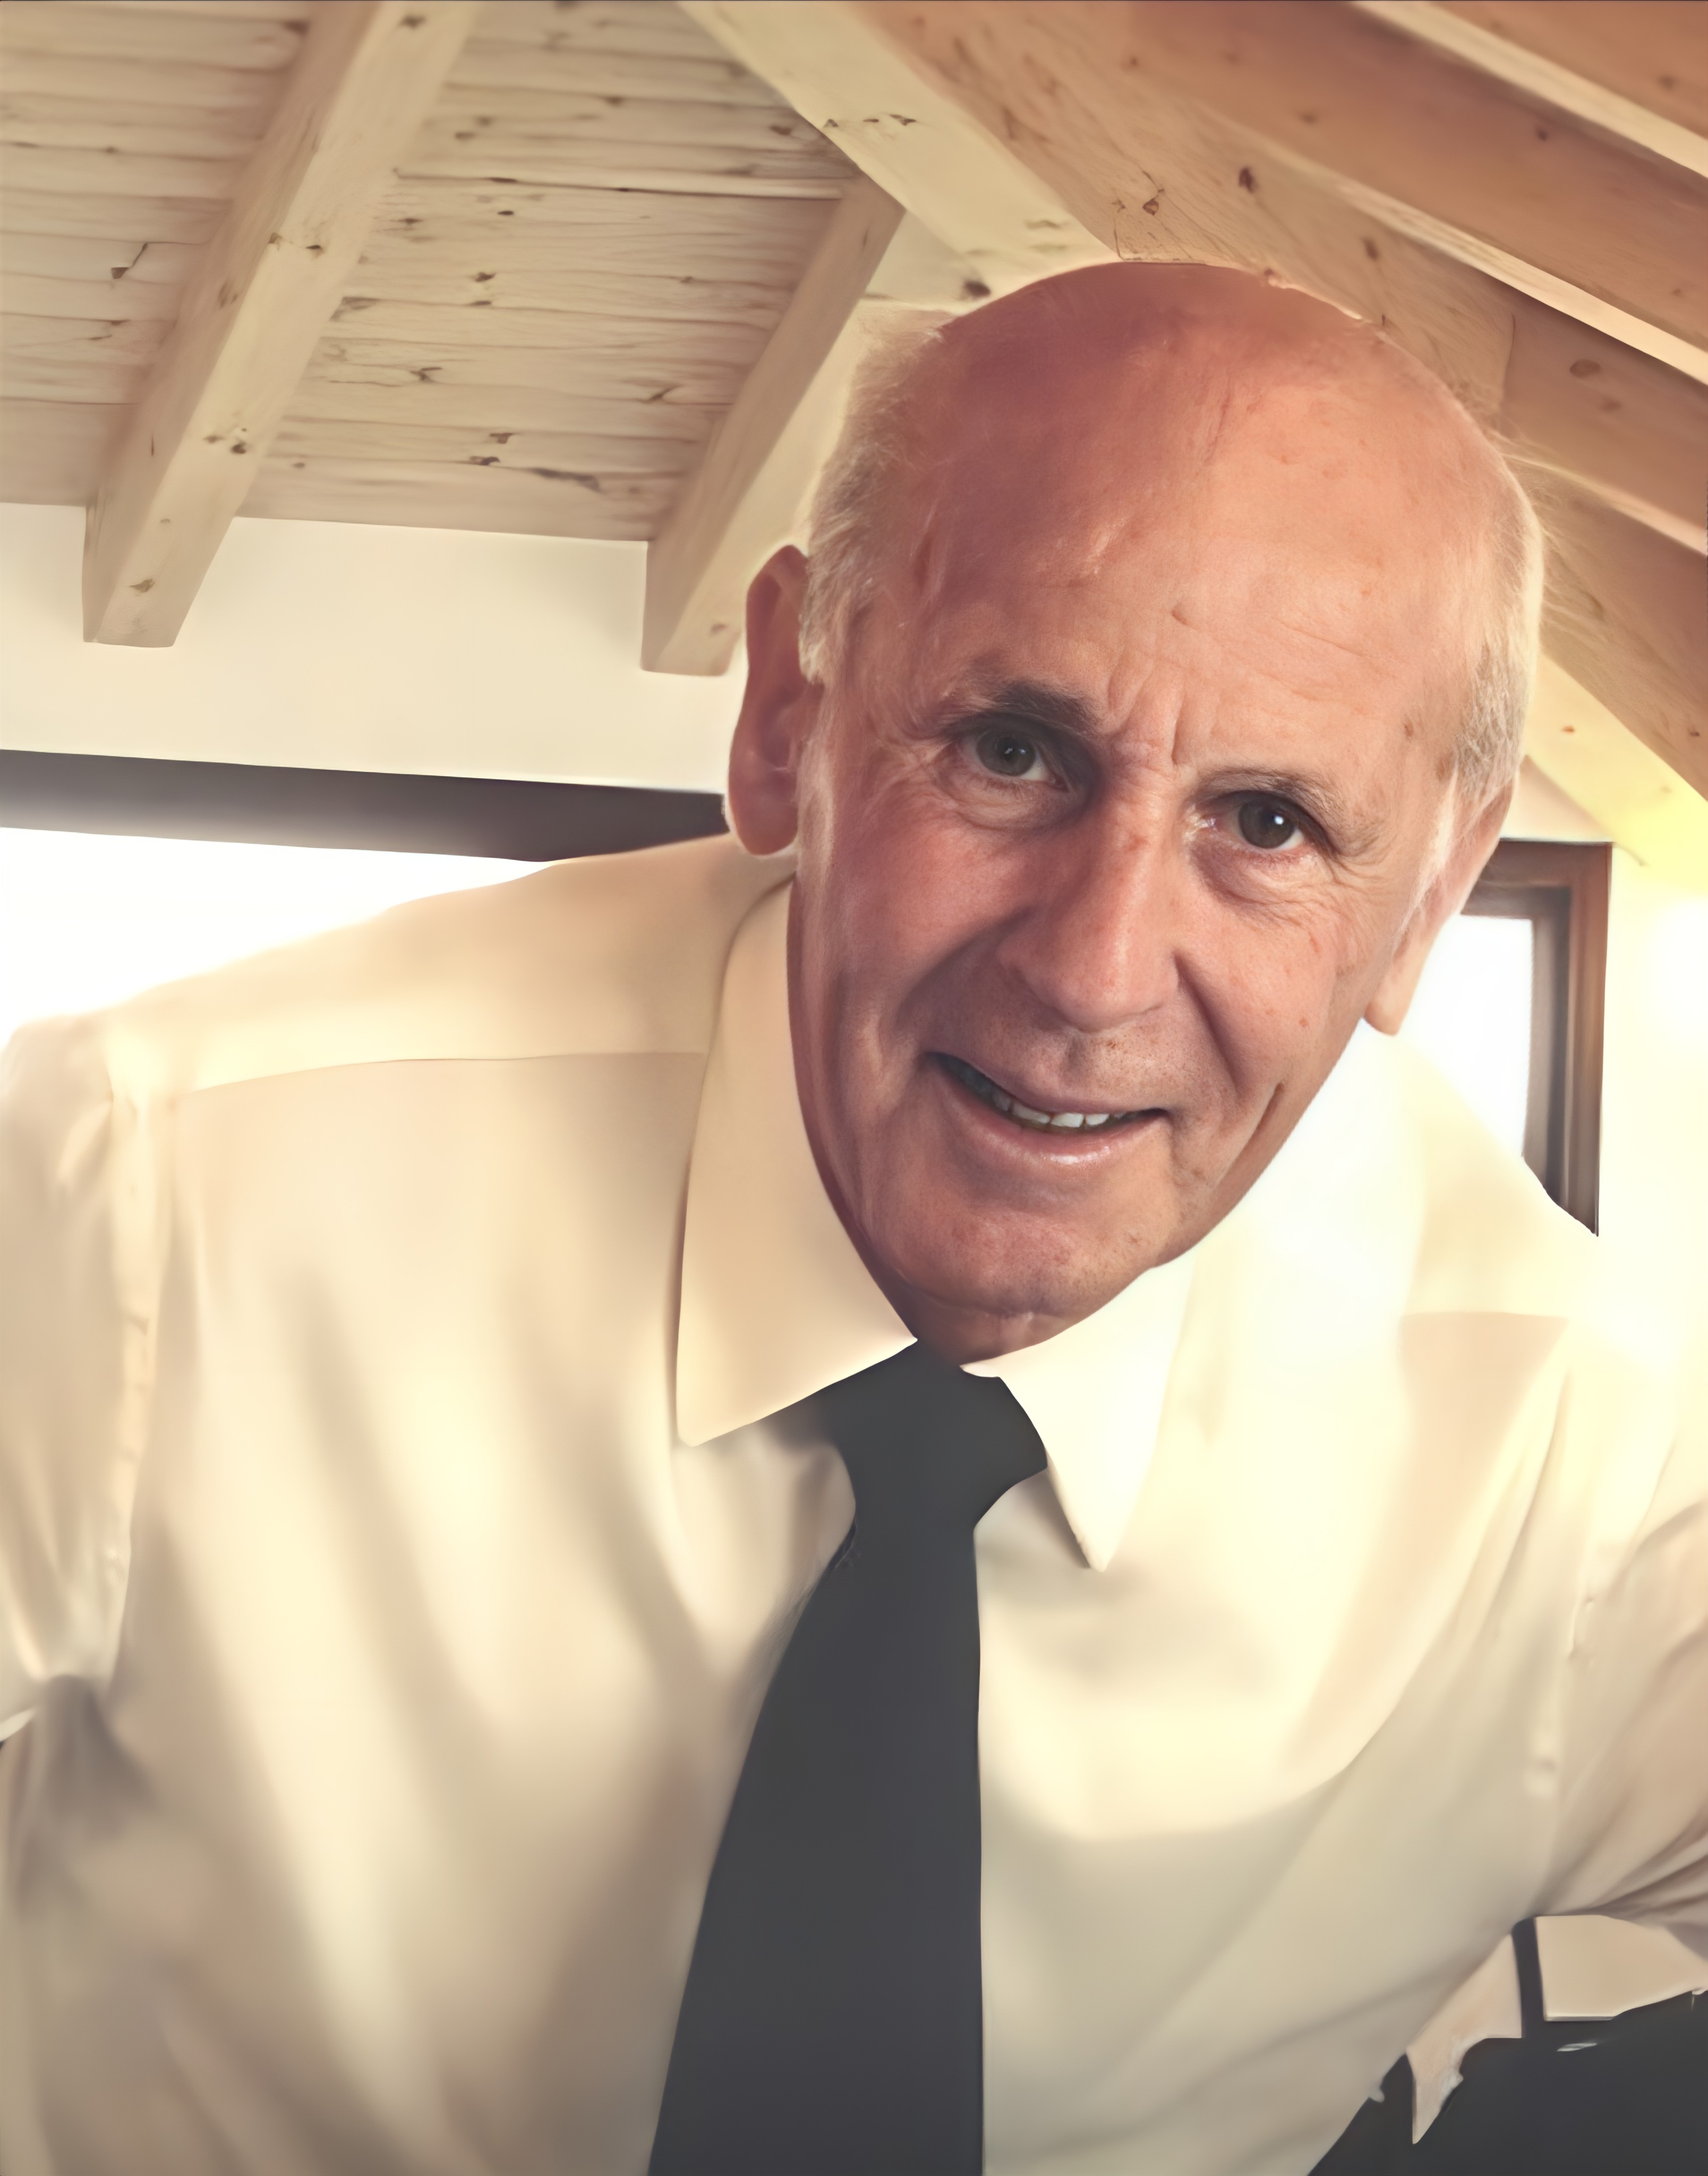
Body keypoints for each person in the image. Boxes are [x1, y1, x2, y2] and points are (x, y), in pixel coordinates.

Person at [1, 264, 1702, 2176]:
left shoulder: (1582, 1458)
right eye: (1011, 752)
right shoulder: (157, 1185)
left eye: (1269, 826)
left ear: (1436, 892)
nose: (1093, 972)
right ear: (789, 710)